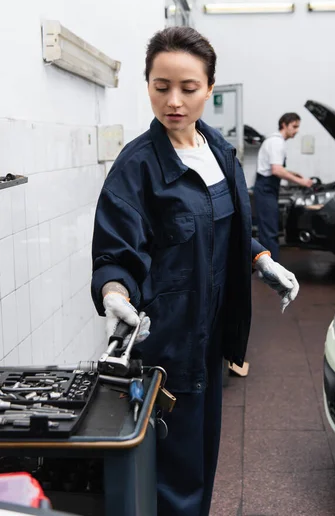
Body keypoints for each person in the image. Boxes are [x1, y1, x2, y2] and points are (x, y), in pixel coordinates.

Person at [91, 27, 300, 516]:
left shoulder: (218, 151)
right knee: (171, 477)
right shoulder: (137, 167)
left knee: (203, 461)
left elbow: (223, 227)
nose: (174, 101)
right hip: (167, 344)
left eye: (188, 88)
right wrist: (115, 292)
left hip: (211, 341)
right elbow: (117, 252)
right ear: (147, 85)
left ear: (209, 88)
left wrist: (260, 259)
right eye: (161, 86)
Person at [253, 113, 313, 262]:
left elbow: (276, 167)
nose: (297, 130)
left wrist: (293, 174)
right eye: (294, 126)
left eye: (298, 126)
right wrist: (302, 182)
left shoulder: (276, 141)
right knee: (270, 232)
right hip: (266, 188)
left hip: (267, 188)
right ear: (284, 125)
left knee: (267, 230)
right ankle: (271, 269)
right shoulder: (276, 142)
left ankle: (266, 265)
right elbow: (276, 170)